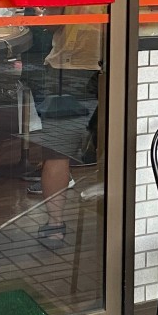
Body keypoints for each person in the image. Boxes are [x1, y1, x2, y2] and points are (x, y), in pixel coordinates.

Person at [31, 12, 103, 248]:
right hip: (117, 60)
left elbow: (51, 22)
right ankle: (116, 223)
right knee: (116, 147)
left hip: (70, 68)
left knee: (57, 153)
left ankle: (55, 226)